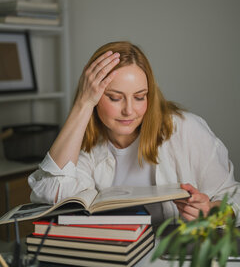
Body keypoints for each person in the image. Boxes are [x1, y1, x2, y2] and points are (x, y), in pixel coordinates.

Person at [28, 41, 240, 225]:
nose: (129, 110)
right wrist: (82, 104)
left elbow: (233, 197)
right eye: (115, 97)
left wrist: (212, 212)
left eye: (139, 97)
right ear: (94, 95)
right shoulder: (83, 141)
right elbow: (53, 194)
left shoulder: (186, 129)